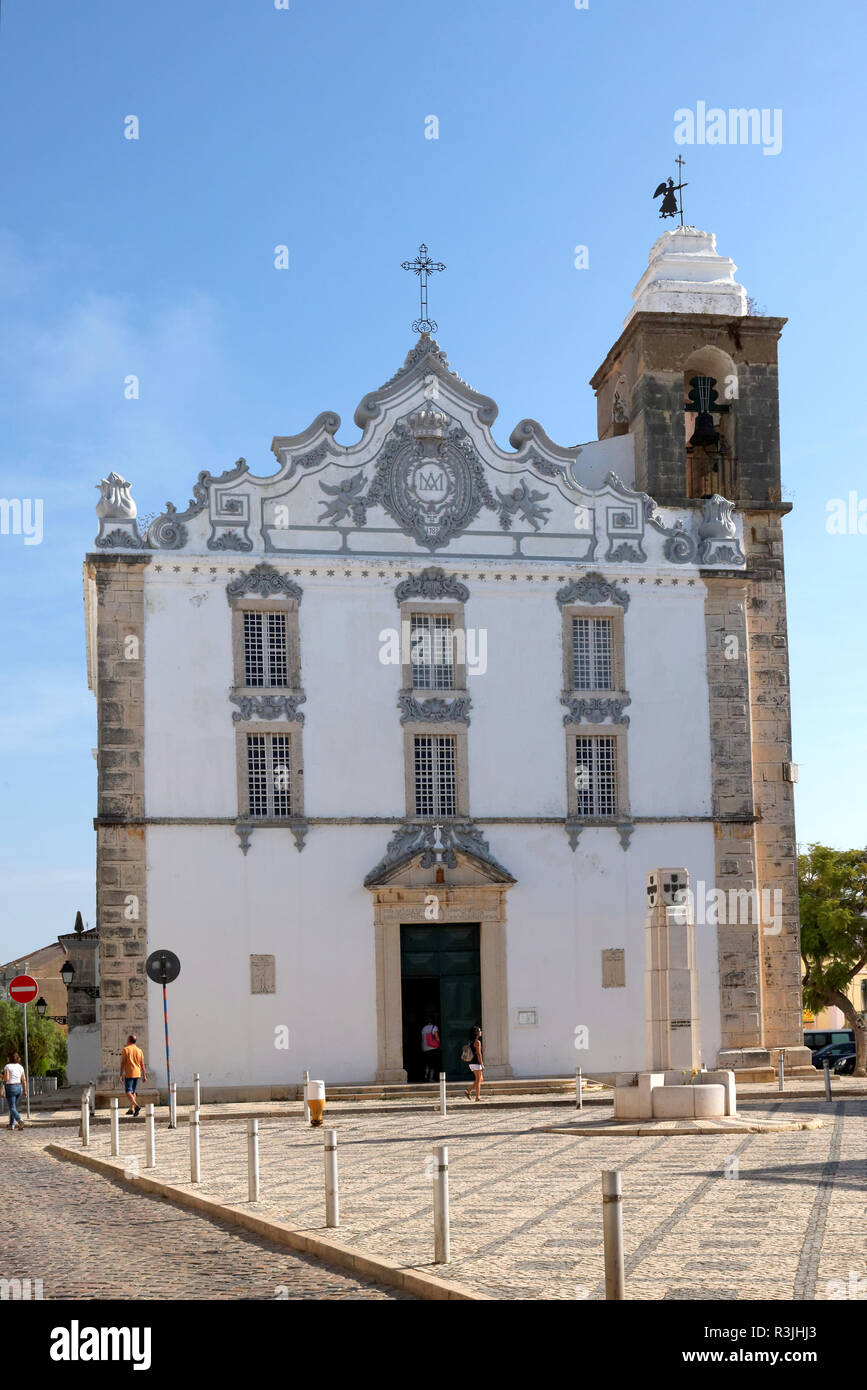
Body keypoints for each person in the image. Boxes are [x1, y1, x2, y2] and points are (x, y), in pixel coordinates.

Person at [119, 1034, 147, 1116]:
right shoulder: (139, 1050)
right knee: (133, 1092)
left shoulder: (125, 1049)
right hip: (137, 1073)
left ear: (129, 1040)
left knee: (128, 1091)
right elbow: (142, 1064)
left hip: (129, 1073)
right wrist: (144, 1075)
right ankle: (131, 1109)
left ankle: (136, 1106)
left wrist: (120, 1074)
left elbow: (123, 1063)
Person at [3, 1052, 26, 1131]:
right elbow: (24, 1079)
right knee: (13, 1107)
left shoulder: (7, 1066)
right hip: (19, 1088)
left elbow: (6, 1079)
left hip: (11, 1087)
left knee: (12, 1107)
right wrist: (25, 1091)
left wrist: (1, 1075)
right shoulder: (20, 1067)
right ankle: (11, 1125)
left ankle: (20, 1120)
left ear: (10, 1058)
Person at [464, 1024, 484, 1102]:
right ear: (476, 1032)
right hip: (476, 1063)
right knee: (478, 1080)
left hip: (472, 1063)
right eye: (479, 1030)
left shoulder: (471, 1042)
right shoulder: (477, 1042)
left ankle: (468, 1091)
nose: (481, 1031)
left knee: (480, 1079)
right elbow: (479, 1054)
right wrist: (482, 1064)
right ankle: (477, 1097)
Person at [420, 1016, 441, 1082]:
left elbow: (423, 1039)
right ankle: (431, 1078)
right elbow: (437, 1038)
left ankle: (426, 1076)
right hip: (433, 1048)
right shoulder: (434, 1027)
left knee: (427, 1063)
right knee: (433, 1064)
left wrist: (422, 1047)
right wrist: (439, 1044)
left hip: (425, 1048)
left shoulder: (423, 1028)